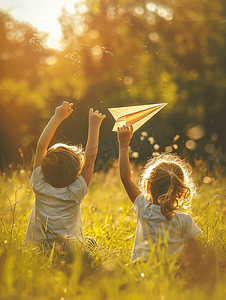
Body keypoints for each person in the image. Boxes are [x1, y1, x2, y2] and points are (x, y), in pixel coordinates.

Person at [25, 101, 106, 250]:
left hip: (37, 248)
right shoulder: (76, 191)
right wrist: (94, 126)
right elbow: (90, 157)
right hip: (69, 250)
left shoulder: (38, 183)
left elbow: (41, 145)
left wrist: (57, 117)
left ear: (43, 168)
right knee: (89, 241)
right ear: (77, 175)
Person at [117, 125, 201, 264]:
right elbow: (195, 257)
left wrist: (123, 145)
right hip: (170, 274)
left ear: (148, 186)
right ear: (180, 190)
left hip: (140, 271)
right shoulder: (185, 221)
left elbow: (125, 178)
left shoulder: (144, 208)